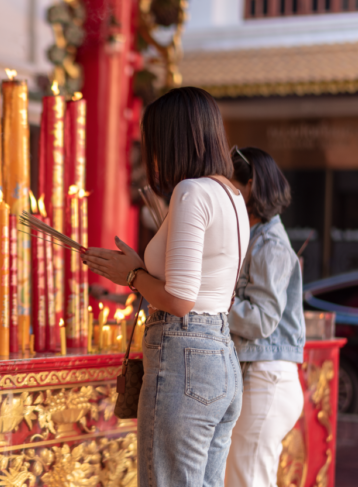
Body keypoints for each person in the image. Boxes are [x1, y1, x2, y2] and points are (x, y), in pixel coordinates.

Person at [83, 87, 249, 487]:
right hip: (221, 356)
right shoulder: (232, 195)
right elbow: (206, 285)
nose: (149, 155)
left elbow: (179, 300)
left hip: (185, 355)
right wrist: (140, 269)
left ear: (171, 140)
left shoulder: (191, 192)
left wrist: (133, 277)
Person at [224, 147, 305, 487]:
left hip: (267, 379)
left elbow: (261, 320)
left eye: (231, 186)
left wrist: (211, 303)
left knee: (248, 480)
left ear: (250, 184)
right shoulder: (256, 236)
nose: (225, 194)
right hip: (259, 377)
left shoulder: (270, 244)